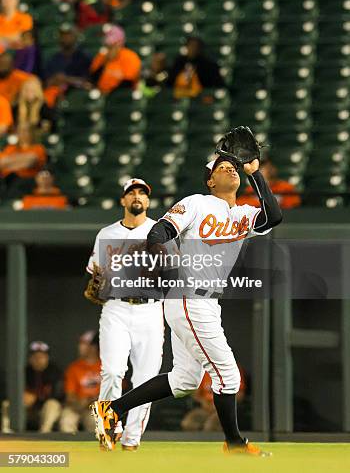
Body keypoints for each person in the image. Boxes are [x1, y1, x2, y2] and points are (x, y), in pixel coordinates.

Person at [91, 148, 282, 455]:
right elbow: (159, 231)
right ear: (210, 180)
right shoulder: (197, 202)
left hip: (207, 304)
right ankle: (234, 443)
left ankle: (111, 410)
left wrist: (254, 172)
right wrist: (168, 265)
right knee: (228, 375)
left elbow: (274, 216)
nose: (230, 170)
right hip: (189, 297)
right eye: (222, 167)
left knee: (184, 380)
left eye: (234, 167)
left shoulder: (243, 214)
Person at [86, 178, 165, 451]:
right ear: (122, 200)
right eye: (131, 192)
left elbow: (175, 271)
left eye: (142, 192)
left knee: (145, 380)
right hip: (116, 308)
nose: (137, 196)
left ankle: (131, 439)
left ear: (148, 200)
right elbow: (95, 272)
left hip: (151, 311)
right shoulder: (106, 234)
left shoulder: (160, 230)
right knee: (111, 371)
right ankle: (108, 428)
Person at [2, 341, 63, 433]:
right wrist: (21, 397)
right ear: (30, 358)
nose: (38, 359)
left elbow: (59, 396)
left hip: (45, 410)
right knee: (7, 404)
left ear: (47, 358)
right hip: (28, 410)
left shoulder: (54, 372)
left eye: (41, 357)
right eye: (35, 357)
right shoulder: (24, 372)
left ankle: (45, 434)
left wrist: (36, 399)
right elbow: (9, 392)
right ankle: (7, 431)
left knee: (52, 404)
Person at [59, 331, 101, 433]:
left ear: (94, 347)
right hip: (77, 407)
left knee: (96, 422)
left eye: (84, 344)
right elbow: (70, 395)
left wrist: (91, 400)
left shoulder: (106, 366)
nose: (80, 347)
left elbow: (117, 391)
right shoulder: (74, 367)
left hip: (97, 407)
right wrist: (79, 403)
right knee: (66, 420)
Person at [90, 25, 141, 94]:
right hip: (100, 95)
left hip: (121, 97)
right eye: (108, 45)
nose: (109, 47)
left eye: (113, 44)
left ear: (120, 43)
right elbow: (93, 78)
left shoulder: (130, 57)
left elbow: (127, 83)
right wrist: (105, 62)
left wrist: (109, 94)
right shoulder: (102, 55)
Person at [237, 158, 301, 210]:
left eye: (270, 167)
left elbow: (294, 202)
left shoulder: (285, 186)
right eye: (264, 168)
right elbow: (241, 203)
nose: (268, 170)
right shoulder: (251, 189)